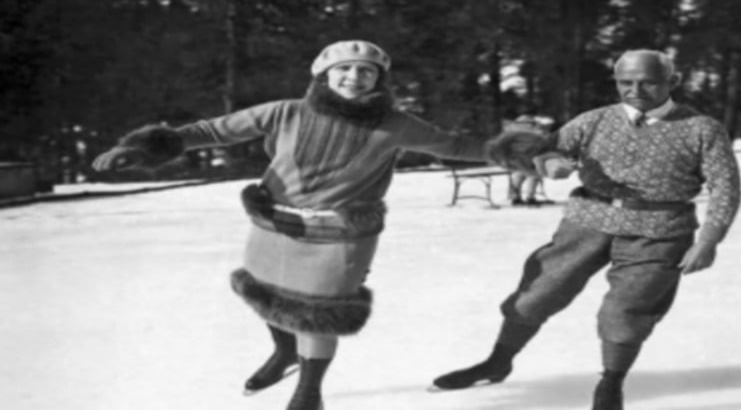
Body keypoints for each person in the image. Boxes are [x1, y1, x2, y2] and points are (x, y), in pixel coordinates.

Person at [91, 40, 528, 410]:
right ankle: (284, 353)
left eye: (366, 71)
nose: (354, 77)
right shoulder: (285, 112)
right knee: (262, 288)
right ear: (323, 74)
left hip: (340, 234)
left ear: (380, 80)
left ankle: (310, 391)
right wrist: (143, 149)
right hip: (274, 223)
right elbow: (212, 130)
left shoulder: (396, 125)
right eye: (344, 69)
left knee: (317, 314)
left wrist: (518, 152)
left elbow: (456, 145)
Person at [431, 49, 741, 410]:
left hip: (659, 231)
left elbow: (725, 186)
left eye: (649, 82)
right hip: (587, 220)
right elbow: (544, 151)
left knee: (628, 308)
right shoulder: (593, 120)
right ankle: (498, 361)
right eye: (626, 82)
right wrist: (550, 164)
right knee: (539, 291)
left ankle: (611, 382)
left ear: (672, 82)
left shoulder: (702, 128)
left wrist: (709, 239)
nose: (636, 90)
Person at [504, 107, 554, 206]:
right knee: (534, 174)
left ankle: (515, 198)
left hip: (515, 158)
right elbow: (543, 139)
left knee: (519, 174)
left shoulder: (513, 126)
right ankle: (530, 197)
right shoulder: (533, 126)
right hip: (530, 157)